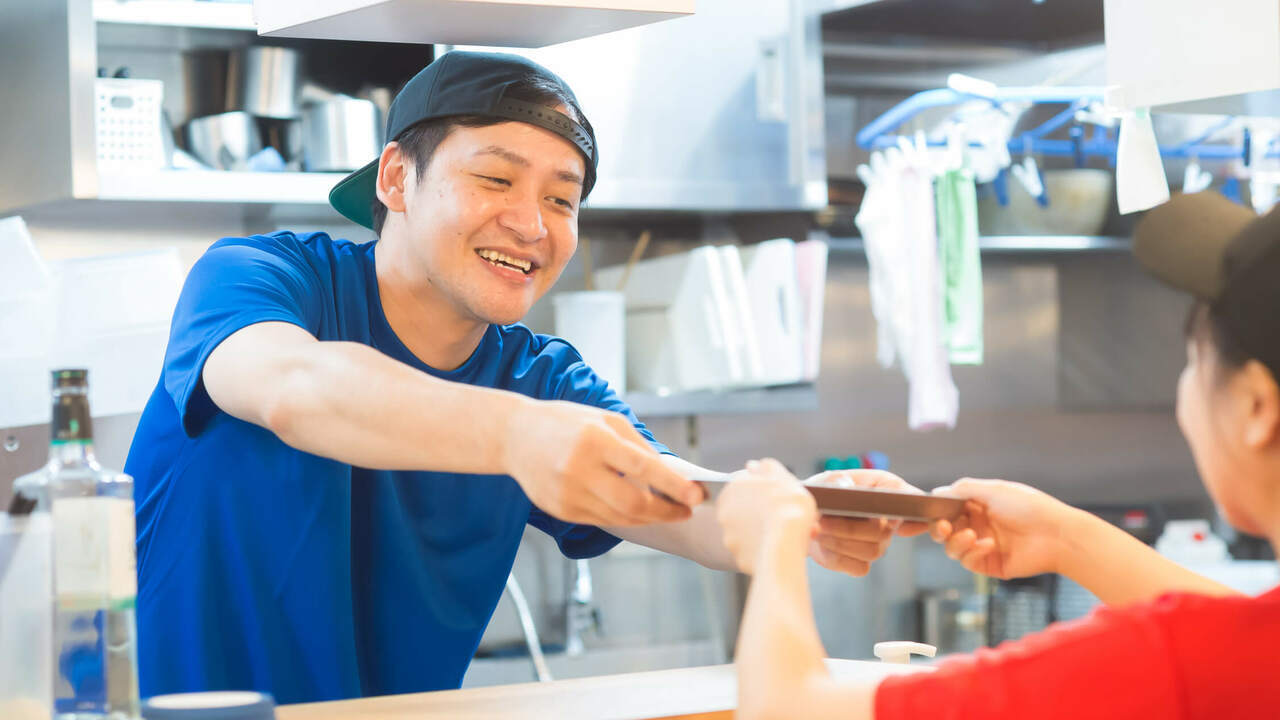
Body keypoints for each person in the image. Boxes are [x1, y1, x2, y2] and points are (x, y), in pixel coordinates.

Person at [124, 51, 914, 705]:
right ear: (396, 180)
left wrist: (805, 512)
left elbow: (674, 498)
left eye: (561, 199)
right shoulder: (259, 280)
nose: (532, 224)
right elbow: (296, 390)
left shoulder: (540, 378)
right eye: (497, 181)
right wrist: (515, 435)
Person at [715, 191, 1280, 719]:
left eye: (1195, 362)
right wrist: (1062, 537)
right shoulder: (1245, 658)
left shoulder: (1167, 662)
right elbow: (1241, 634)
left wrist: (776, 538)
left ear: (1256, 407)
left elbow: (790, 708)